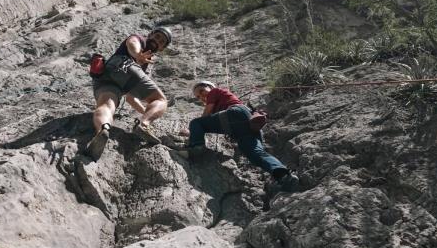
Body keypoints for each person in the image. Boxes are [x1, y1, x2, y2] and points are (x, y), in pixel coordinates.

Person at [177, 81, 299, 192]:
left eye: (202, 91)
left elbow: (205, 117)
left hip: (234, 115)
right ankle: (284, 176)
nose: (201, 96)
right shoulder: (221, 98)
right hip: (248, 125)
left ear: (210, 87)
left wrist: (193, 131)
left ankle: (196, 148)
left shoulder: (215, 91)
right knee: (255, 154)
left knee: (196, 122)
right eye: (198, 97)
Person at [87, 26, 173, 160]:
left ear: (162, 49)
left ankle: (102, 131)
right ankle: (143, 125)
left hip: (105, 78)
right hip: (124, 65)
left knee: (106, 106)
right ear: (150, 34)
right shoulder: (139, 39)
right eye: (157, 37)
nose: (158, 41)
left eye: (162, 42)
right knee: (160, 100)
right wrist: (138, 54)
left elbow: (131, 98)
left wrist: (146, 112)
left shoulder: (147, 63)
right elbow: (132, 43)